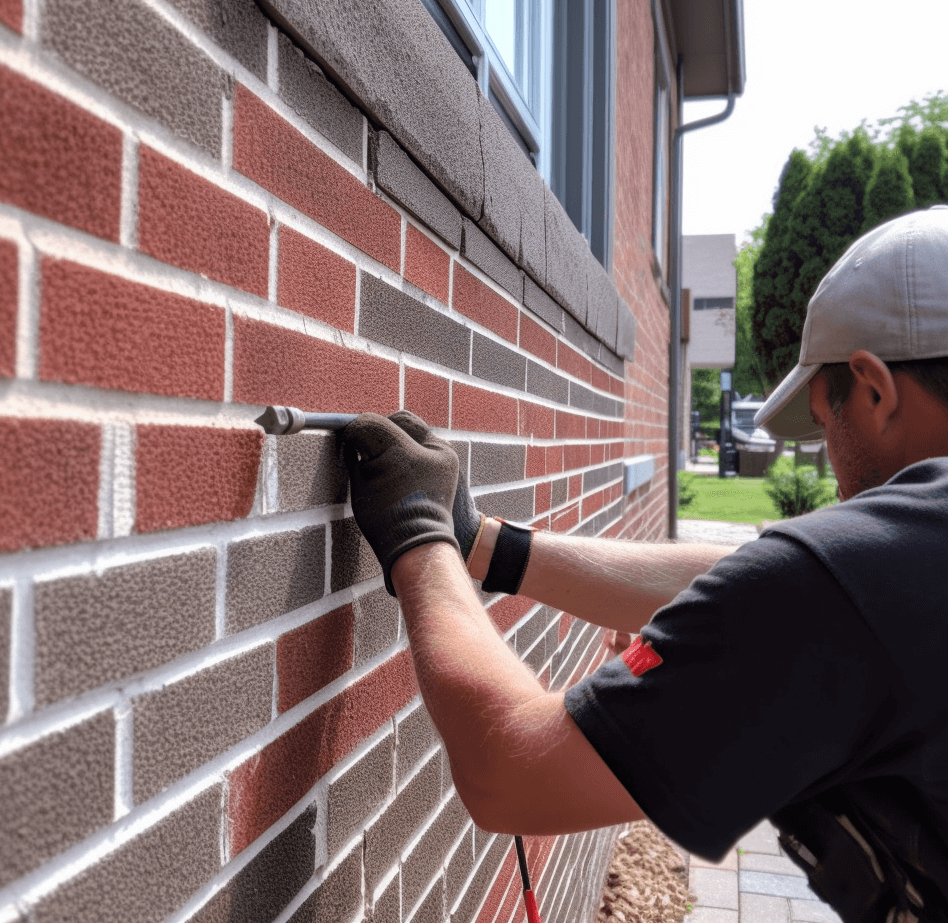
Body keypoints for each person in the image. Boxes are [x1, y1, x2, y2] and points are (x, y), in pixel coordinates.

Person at [341, 206, 948, 923]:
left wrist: (417, 536)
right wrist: (481, 544)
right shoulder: (906, 560)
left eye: (824, 425)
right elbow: (779, 579)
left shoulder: (871, 578)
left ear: (874, 391)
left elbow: (511, 774)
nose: (831, 468)